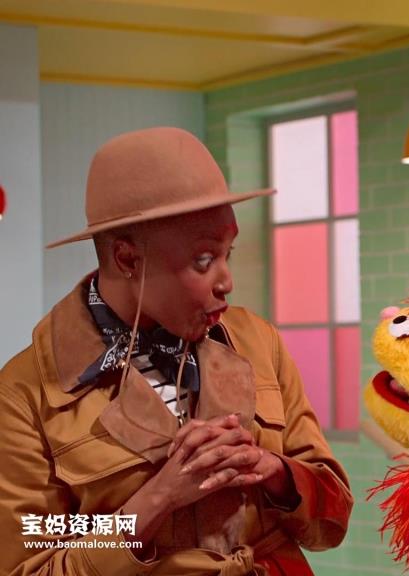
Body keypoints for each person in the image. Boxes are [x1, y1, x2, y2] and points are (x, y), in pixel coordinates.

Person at [0, 127, 354, 575]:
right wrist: (158, 498)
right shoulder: (25, 395)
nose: (227, 282)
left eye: (228, 253)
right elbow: (31, 569)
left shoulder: (257, 340)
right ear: (128, 259)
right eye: (204, 260)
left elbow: (332, 522)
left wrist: (274, 472)